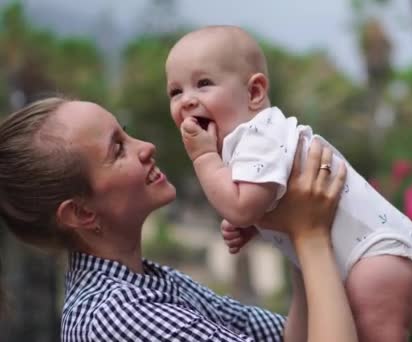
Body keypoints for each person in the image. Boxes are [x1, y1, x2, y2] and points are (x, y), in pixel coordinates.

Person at [0, 97, 358, 342]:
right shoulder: (118, 317)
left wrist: (289, 229)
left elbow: (282, 336)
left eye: (125, 131)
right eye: (118, 148)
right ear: (81, 213)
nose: (146, 147)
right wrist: (311, 235)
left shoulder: (153, 282)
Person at [165, 25, 412, 341]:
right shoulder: (248, 143)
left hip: (377, 251)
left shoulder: (258, 136)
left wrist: (204, 159)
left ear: (254, 92)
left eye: (203, 84)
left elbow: (240, 207)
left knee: (375, 332)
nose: (187, 100)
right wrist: (256, 222)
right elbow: (269, 200)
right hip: (355, 253)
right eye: (176, 91)